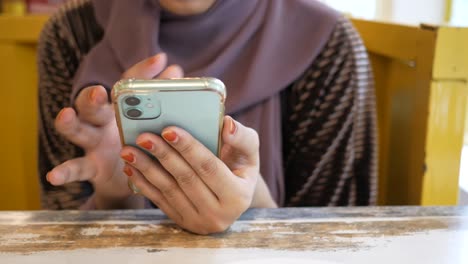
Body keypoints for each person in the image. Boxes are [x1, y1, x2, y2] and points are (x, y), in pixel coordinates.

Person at [38, 0, 378, 234]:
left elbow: (336, 236)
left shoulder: (323, 40)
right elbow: (56, 224)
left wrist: (254, 205)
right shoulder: (72, 33)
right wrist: (115, 196)